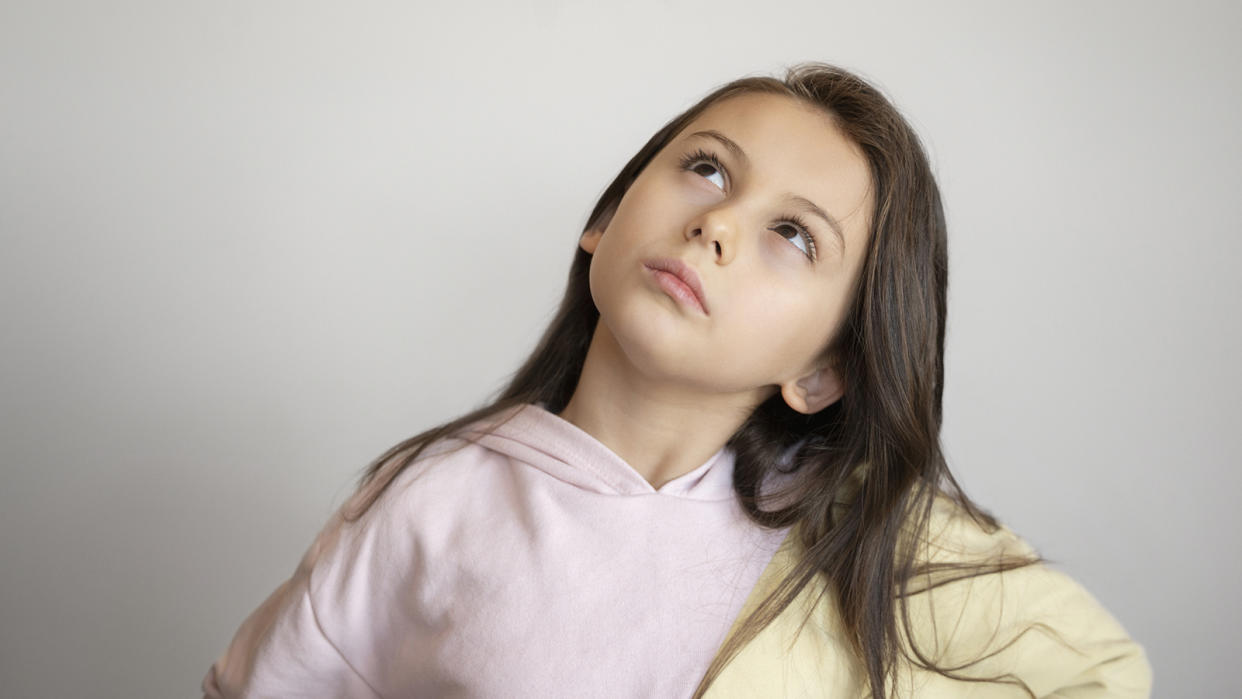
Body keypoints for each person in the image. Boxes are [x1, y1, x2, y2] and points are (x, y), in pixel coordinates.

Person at [201, 62, 1152, 698]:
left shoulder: (871, 539)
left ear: (823, 371)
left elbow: (1101, 673)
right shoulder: (429, 503)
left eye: (794, 234)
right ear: (606, 216)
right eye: (706, 169)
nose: (720, 223)